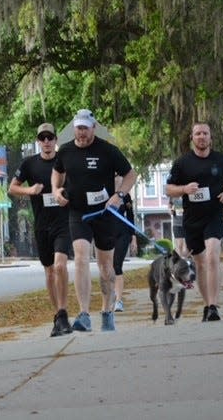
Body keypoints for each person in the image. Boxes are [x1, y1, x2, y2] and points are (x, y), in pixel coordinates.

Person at [51, 109, 137, 332]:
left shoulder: (108, 151)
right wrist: (56, 191)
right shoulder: (66, 151)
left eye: (85, 129)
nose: (81, 133)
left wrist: (119, 196)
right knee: (80, 257)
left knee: (106, 266)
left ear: (93, 128)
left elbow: (130, 175)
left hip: (104, 214)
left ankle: (107, 311)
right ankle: (84, 314)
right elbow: (57, 173)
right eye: (78, 128)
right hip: (78, 213)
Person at [165, 122, 223, 322]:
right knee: (200, 264)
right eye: (198, 133)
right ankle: (207, 305)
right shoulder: (182, 163)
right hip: (192, 219)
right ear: (192, 138)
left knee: (213, 255)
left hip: (215, 214)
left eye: (205, 133)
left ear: (210, 137)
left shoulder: (221, 159)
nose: (202, 137)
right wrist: (184, 189)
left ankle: (214, 305)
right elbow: (168, 189)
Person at [8, 123, 73, 337]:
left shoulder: (64, 161)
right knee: (49, 271)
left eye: (50, 137)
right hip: (42, 225)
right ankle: (58, 315)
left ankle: (63, 312)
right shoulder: (29, 164)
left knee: (61, 265)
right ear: (38, 141)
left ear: (56, 140)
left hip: (63, 223)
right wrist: (30, 190)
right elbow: (12, 187)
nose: (46, 142)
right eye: (42, 138)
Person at [112, 176, 137, 312]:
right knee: (107, 267)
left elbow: (131, 216)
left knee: (117, 266)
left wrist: (133, 238)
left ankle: (118, 301)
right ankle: (110, 296)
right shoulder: (104, 193)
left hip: (123, 234)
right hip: (107, 234)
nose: (119, 180)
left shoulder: (126, 196)